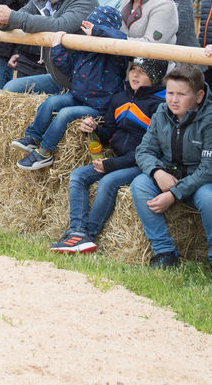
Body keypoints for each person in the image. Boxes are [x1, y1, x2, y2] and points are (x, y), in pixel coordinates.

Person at [49, 58, 164, 253]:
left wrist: (112, 165)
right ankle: (76, 231)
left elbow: (150, 150)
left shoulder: (159, 106)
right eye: (133, 69)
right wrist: (94, 129)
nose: (135, 74)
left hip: (141, 164)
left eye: (143, 71)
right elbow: (109, 134)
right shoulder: (120, 98)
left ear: (155, 77)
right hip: (118, 160)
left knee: (108, 181)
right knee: (78, 175)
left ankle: (89, 234)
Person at [131, 63, 212, 273]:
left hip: (200, 182)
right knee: (140, 184)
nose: (174, 100)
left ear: (199, 96)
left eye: (181, 94)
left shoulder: (211, 121)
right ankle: (164, 252)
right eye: (170, 93)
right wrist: (157, 172)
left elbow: (209, 169)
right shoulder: (161, 112)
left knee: (209, 198)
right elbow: (143, 151)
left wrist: (174, 194)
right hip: (169, 174)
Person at [8, 4, 129, 172]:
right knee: (50, 102)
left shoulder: (116, 52)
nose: (89, 32)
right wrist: (57, 47)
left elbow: (121, 38)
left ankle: (45, 151)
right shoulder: (84, 47)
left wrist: (97, 31)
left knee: (65, 114)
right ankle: (32, 137)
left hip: (99, 106)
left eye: (95, 27)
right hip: (78, 96)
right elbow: (68, 68)